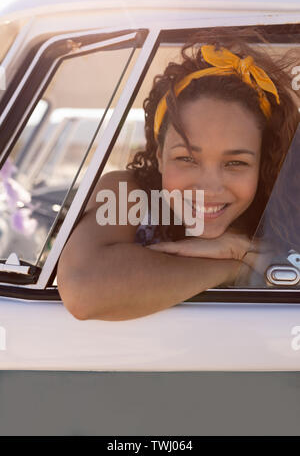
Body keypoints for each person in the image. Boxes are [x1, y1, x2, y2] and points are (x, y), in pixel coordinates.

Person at [57, 27, 299, 321]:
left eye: (235, 163)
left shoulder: (286, 211)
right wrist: (237, 262)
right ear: (159, 157)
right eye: (186, 158)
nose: (209, 187)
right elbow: (84, 288)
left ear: (263, 165)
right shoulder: (129, 194)